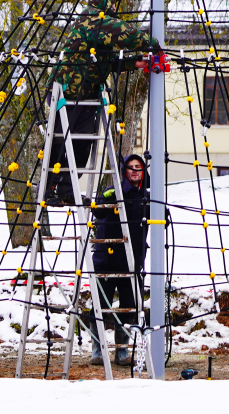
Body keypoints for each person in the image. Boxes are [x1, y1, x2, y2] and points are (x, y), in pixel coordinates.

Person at [43, 0, 166, 204]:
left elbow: (103, 59)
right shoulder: (93, 20)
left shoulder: (95, 27)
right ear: (106, 2)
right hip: (68, 92)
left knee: (82, 142)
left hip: (84, 94)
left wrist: (132, 63)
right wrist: (154, 45)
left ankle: (65, 188)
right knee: (64, 142)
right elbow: (125, 34)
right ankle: (52, 186)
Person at [88, 152, 149, 366]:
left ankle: (122, 349)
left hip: (131, 261)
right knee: (100, 304)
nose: (135, 170)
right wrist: (107, 198)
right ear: (124, 171)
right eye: (131, 167)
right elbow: (98, 212)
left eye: (138, 167)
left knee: (130, 305)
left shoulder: (146, 198)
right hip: (107, 258)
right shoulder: (114, 192)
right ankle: (97, 347)